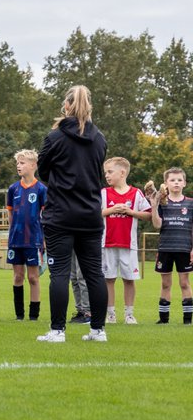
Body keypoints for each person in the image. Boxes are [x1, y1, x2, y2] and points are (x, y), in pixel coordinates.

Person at [35, 84, 109, 343]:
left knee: (59, 274)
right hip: (90, 215)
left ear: (66, 106)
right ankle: (98, 330)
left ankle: (57, 331)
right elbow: (98, 173)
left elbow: (42, 171)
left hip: (60, 216)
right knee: (94, 274)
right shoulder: (99, 138)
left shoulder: (54, 137)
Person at [101, 157, 150, 325]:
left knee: (129, 279)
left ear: (122, 173)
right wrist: (111, 210)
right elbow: (94, 213)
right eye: (105, 172)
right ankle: (111, 314)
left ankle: (129, 314)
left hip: (129, 244)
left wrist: (131, 212)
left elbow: (148, 214)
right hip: (107, 243)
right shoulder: (104, 193)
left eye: (109, 172)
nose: (106, 175)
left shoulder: (136, 193)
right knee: (109, 279)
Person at [144, 168, 193, 325]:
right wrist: (154, 205)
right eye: (172, 180)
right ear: (165, 184)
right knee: (165, 283)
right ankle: (163, 320)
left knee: (184, 283)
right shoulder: (161, 202)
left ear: (184, 183)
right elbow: (157, 225)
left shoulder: (190, 203)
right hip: (165, 248)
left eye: (179, 180)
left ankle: (187, 320)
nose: (176, 183)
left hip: (184, 249)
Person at [7, 149, 47, 322]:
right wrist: (11, 234)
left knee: (33, 277)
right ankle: (19, 315)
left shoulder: (41, 189)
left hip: (34, 240)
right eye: (17, 163)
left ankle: (34, 315)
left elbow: (45, 218)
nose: (19, 166)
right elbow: (10, 216)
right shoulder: (13, 189)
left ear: (33, 165)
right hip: (15, 240)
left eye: (22, 163)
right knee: (17, 276)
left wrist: (45, 241)